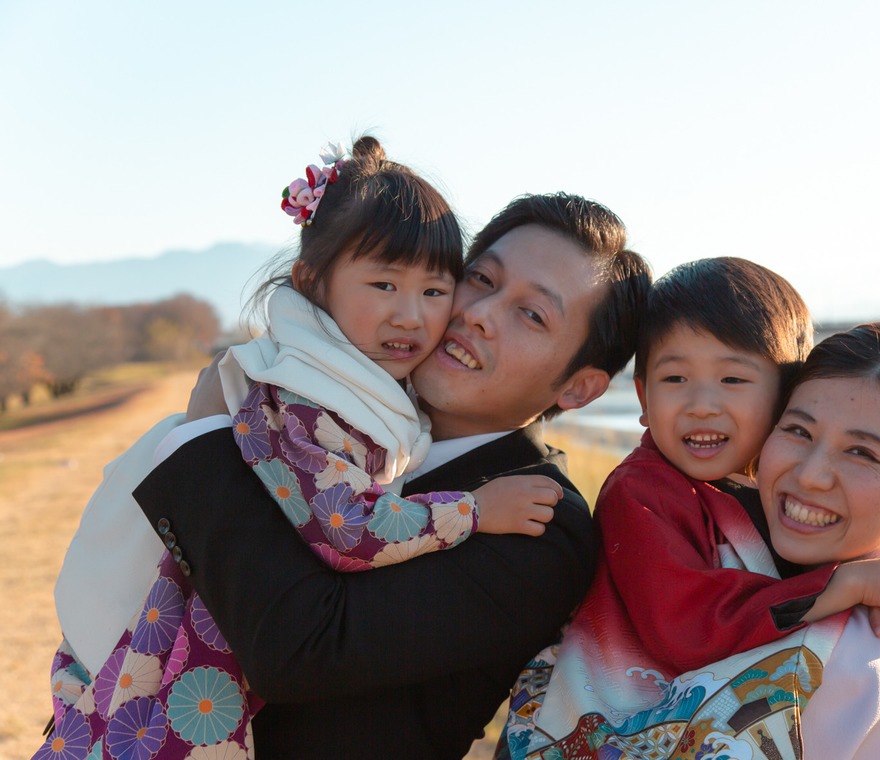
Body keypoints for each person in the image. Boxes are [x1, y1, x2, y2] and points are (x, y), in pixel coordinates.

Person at [38, 137, 565, 760]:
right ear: (312, 281)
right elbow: (345, 529)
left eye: (433, 290)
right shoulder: (310, 399)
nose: (412, 317)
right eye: (383, 284)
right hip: (177, 651)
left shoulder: (340, 380)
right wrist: (474, 510)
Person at [101, 192, 653, 758]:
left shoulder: (539, 521)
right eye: (481, 279)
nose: (478, 314)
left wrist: (205, 442)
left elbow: (300, 648)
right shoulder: (349, 418)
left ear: (579, 388)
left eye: (532, 315)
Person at [496, 260, 880, 759]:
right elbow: (688, 623)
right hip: (592, 734)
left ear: (780, 398)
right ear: (643, 397)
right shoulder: (642, 491)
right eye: (675, 379)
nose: (702, 405)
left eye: (733, 381)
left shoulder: (755, 479)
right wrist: (849, 583)